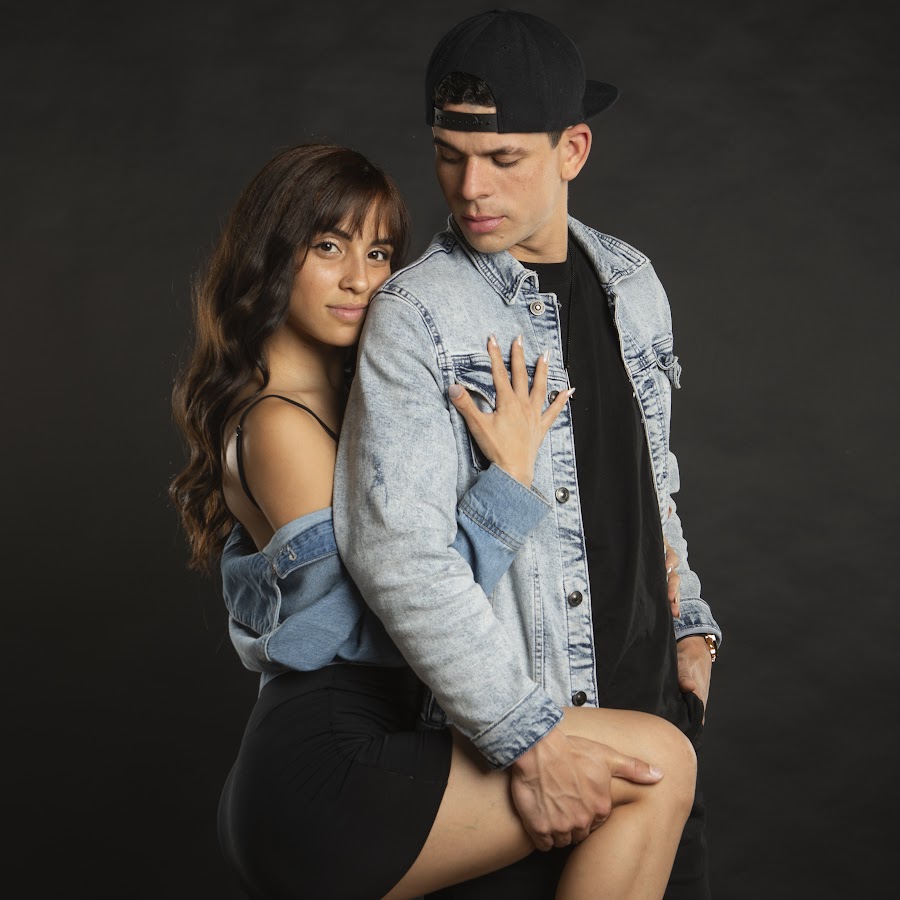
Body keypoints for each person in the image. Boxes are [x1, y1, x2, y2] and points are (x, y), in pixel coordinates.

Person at [169, 142, 697, 900]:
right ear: (271, 256)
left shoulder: (347, 401)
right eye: (328, 247)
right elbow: (395, 611)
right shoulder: (278, 423)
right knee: (657, 764)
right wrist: (508, 483)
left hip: (387, 738)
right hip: (329, 763)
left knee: (649, 766)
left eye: (379, 252)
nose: (360, 279)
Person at [334, 9, 723, 899]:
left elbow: (654, 478)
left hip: (658, 732)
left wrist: (691, 628)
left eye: (504, 158)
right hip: (526, 749)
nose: (470, 188)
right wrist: (528, 739)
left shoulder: (633, 282)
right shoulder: (419, 315)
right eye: (450, 155)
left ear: (572, 149)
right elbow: (397, 555)